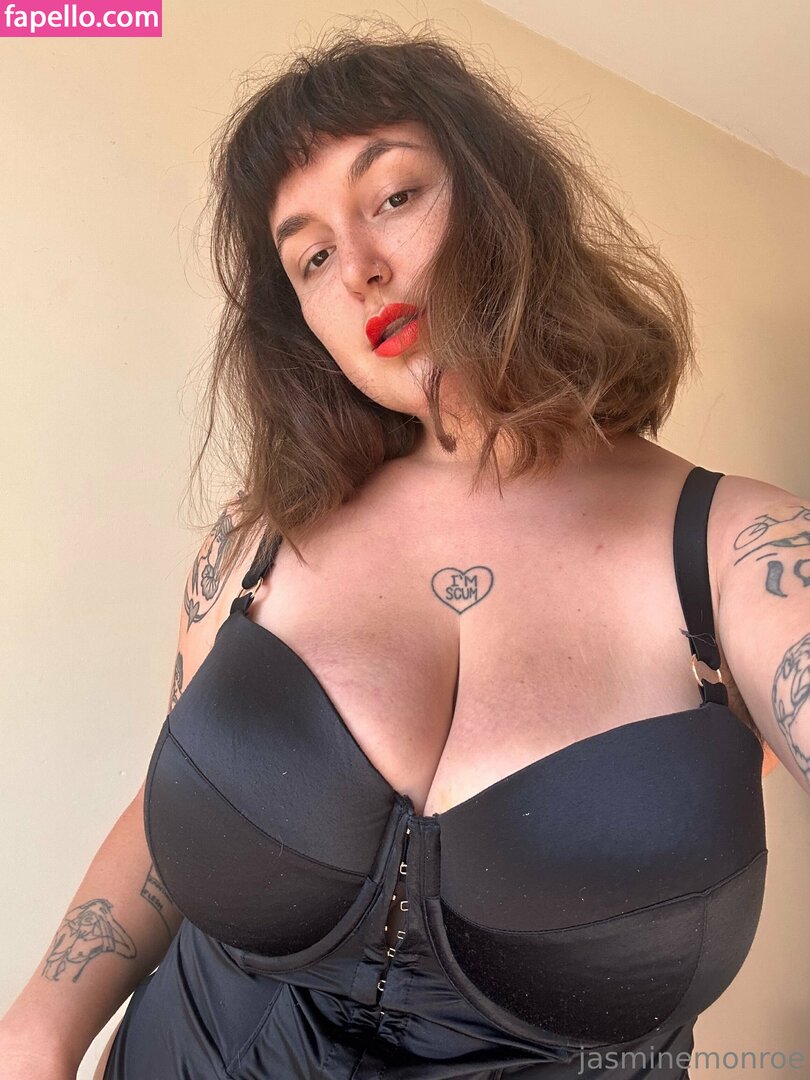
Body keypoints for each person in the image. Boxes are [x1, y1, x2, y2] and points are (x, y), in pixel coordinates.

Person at [2, 21, 808, 1080]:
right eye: (311, 256)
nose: (360, 271)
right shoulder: (255, 543)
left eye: (394, 197)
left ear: (503, 200)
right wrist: (37, 1029)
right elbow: (182, 800)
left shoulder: (745, 555)